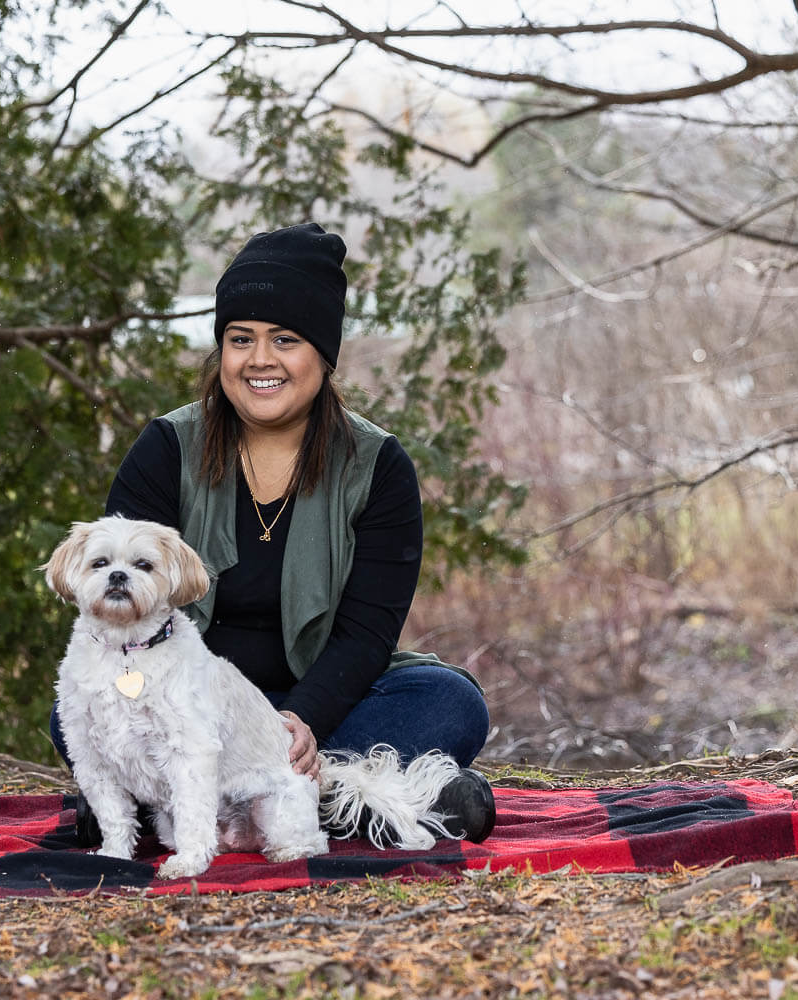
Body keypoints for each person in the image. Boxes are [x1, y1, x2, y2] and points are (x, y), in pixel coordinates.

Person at [51, 222, 494, 841]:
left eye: (285, 339)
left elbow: (368, 632)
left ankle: (201, 805)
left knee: (449, 701)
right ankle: (358, 802)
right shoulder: (167, 448)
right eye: (241, 339)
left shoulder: (377, 466)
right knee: (76, 706)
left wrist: (303, 717)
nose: (260, 359)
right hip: (186, 697)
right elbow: (118, 598)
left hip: (325, 703)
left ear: (323, 354)